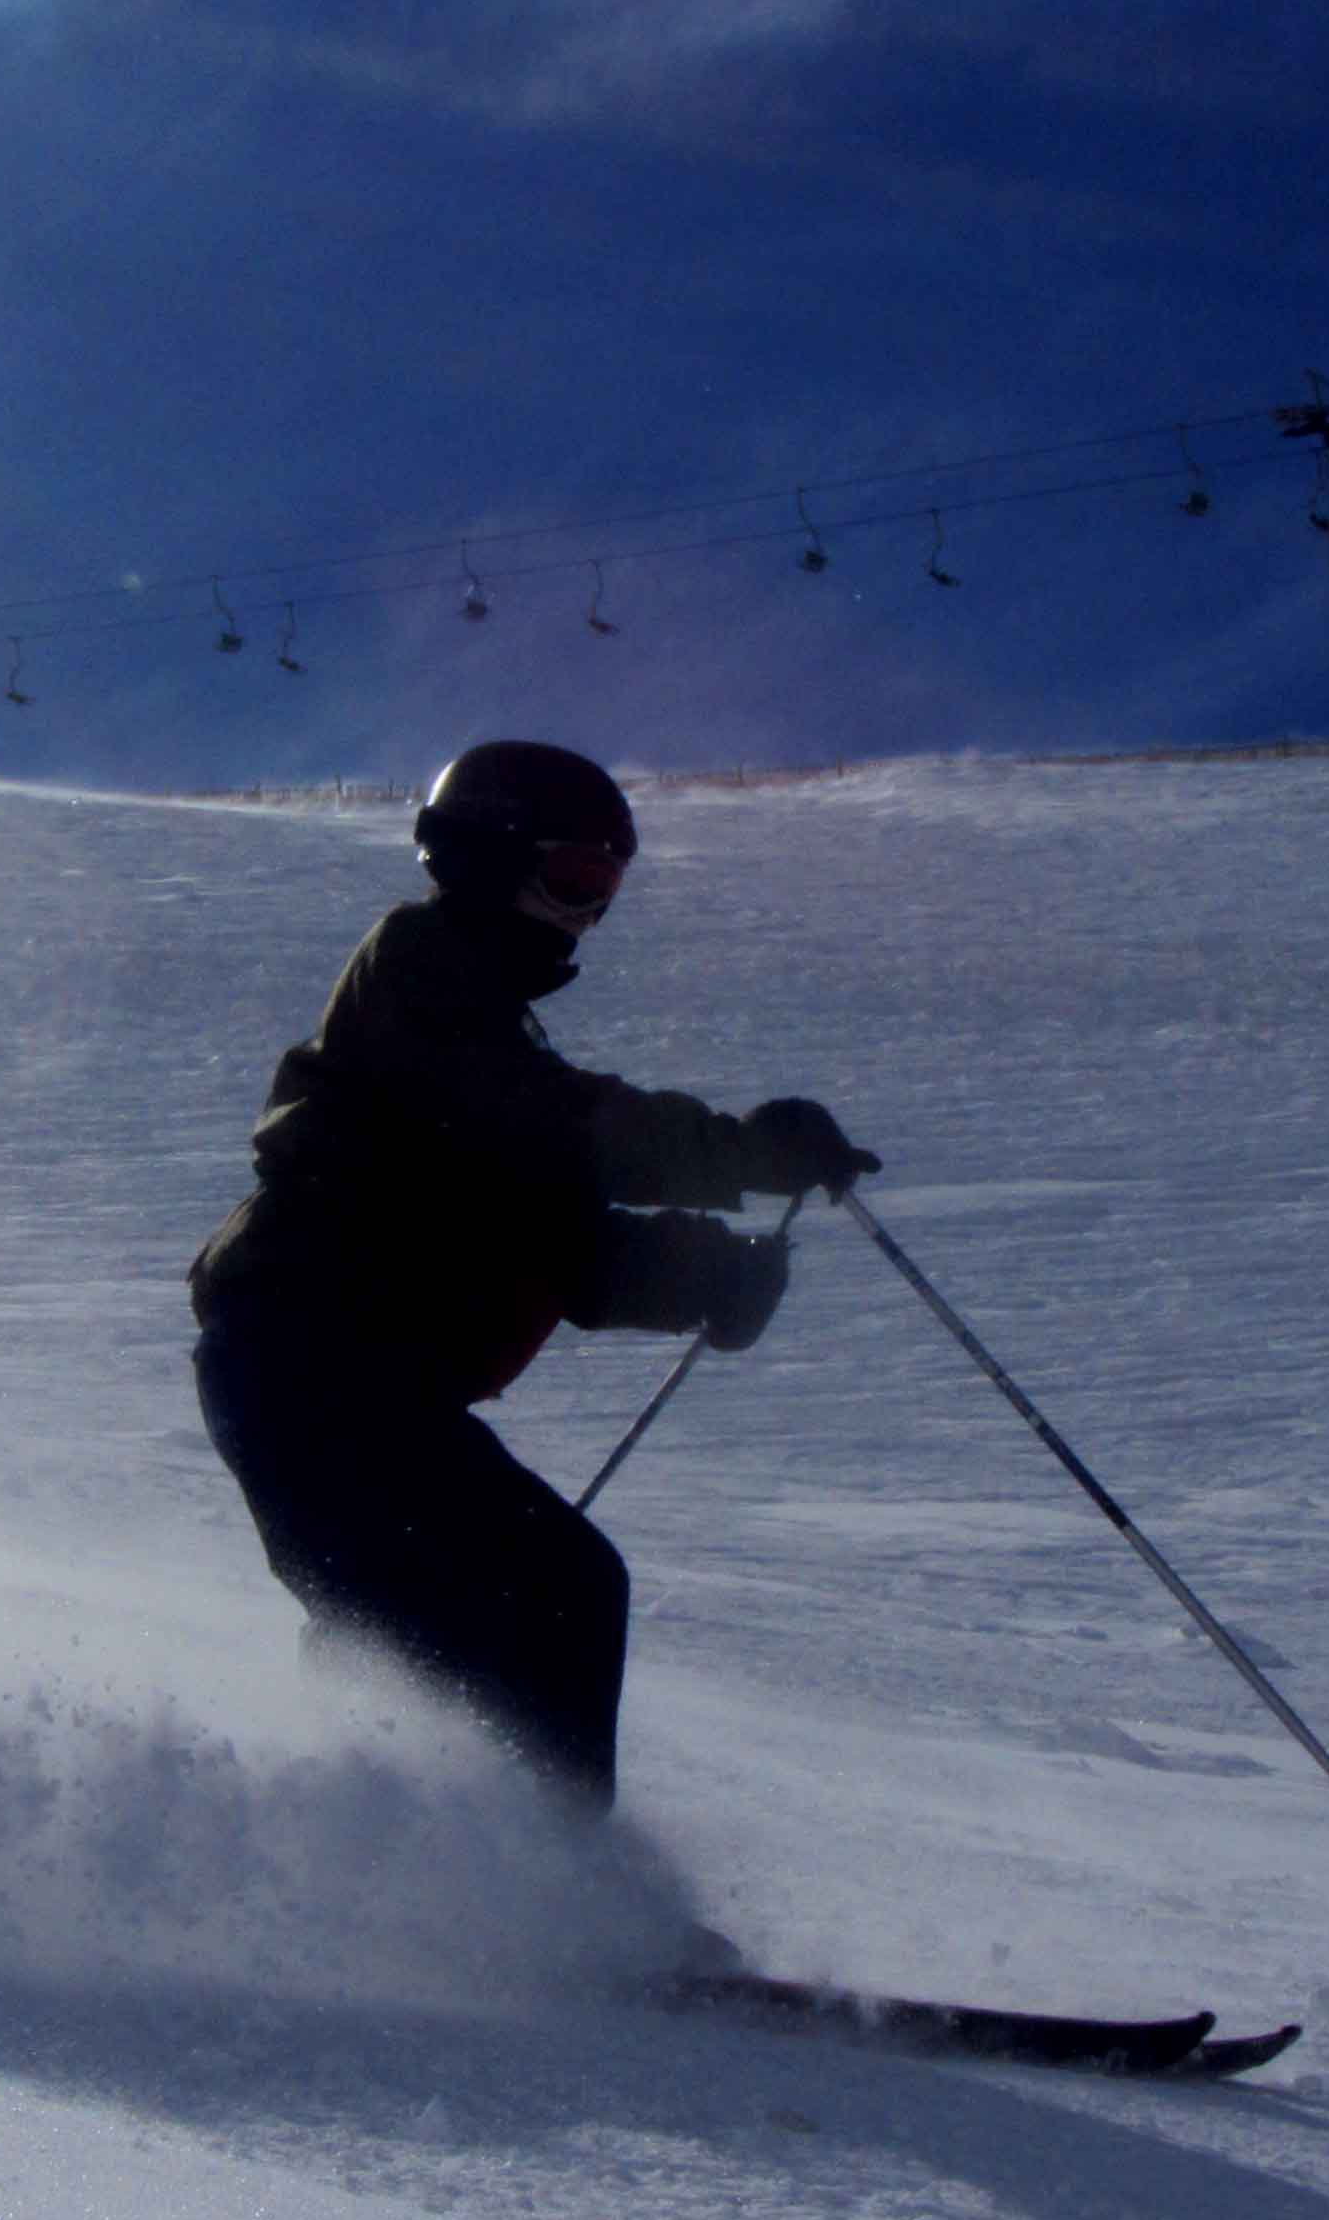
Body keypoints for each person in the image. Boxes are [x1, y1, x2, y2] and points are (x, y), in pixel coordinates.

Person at [188, 740, 879, 1811]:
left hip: (348, 1386)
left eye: (604, 889)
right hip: (307, 1367)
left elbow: (553, 1239)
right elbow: (554, 1131)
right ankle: (551, 1909)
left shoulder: (480, 1025)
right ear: (486, 854)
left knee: (455, 1621)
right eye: (571, 879)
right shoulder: (419, 973)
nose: (584, 917)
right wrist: (738, 1154)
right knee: (546, 1593)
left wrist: (711, 1277)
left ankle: (408, 1873)